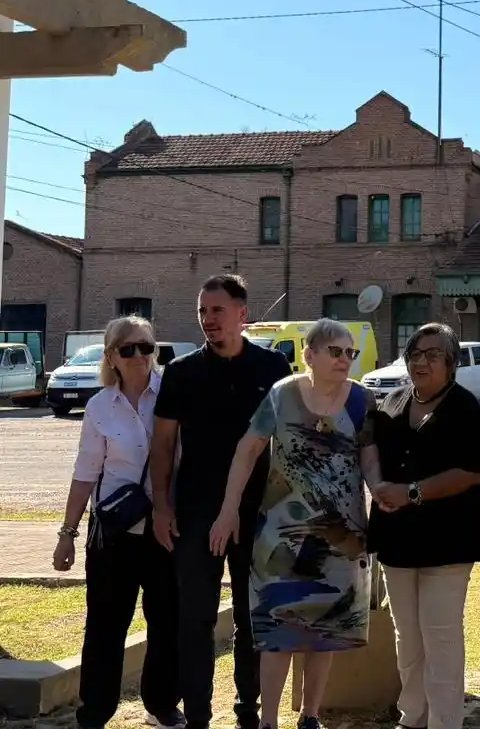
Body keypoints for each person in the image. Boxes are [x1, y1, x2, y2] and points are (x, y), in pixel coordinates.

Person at [210, 319, 373, 729]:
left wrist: (384, 491)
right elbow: (247, 451)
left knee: (327, 628)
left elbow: (369, 460)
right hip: (280, 534)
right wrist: (228, 509)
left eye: (349, 352)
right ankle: (267, 721)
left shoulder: (363, 401)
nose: (343, 359)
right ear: (310, 354)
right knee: (276, 628)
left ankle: (310, 715)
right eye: (334, 351)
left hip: (343, 535)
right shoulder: (282, 395)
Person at [150, 275, 292, 729]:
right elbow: (163, 445)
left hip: (258, 513)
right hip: (194, 513)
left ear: (242, 315)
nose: (208, 320)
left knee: (253, 617)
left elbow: (288, 443)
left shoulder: (272, 368)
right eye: (202, 312)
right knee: (195, 617)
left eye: (217, 310)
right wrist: (162, 506)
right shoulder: (182, 373)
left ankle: (248, 708)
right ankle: (197, 714)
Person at [54, 316, 183, 729]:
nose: (139, 355)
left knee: (167, 621)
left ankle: (162, 704)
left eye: (146, 346)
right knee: (106, 626)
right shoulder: (98, 406)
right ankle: (95, 711)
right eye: (127, 349)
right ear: (111, 356)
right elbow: (86, 471)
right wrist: (67, 534)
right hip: (114, 533)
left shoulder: (173, 395)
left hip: (167, 529)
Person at [361, 323, 480, 729]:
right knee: (407, 640)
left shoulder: (466, 408)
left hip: (447, 542)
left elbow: (470, 472)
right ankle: (412, 716)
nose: (421, 361)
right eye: (415, 353)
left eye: (432, 354)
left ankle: (445, 721)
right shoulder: (391, 404)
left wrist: (411, 492)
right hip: (397, 540)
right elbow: (371, 455)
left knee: (442, 637)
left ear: (451, 364)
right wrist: (379, 488)